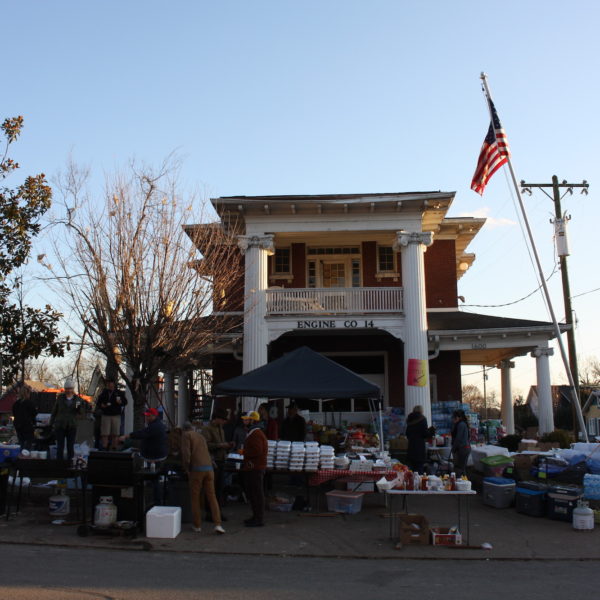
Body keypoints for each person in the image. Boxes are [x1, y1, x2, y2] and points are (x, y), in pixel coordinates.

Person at [180, 421, 225, 534]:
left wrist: (186, 467)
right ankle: (218, 524)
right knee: (212, 497)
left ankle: (197, 525)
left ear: (184, 429)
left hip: (197, 469)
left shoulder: (186, 435)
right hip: (209, 468)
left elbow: (186, 454)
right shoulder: (200, 436)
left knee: (195, 498)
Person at [202, 407, 233, 519]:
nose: (225, 422)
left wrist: (227, 445)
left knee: (219, 488)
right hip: (212, 461)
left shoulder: (221, 429)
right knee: (211, 488)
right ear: (217, 418)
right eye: (223, 419)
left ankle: (217, 512)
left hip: (221, 460)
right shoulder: (207, 429)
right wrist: (221, 445)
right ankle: (210, 513)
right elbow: (206, 445)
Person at [241, 411, 268, 527]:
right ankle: (256, 516)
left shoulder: (256, 433)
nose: (244, 421)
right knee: (254, 493)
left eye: (247, 419)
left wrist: (244, 452)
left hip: (255, 467)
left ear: (253, 421)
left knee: (256, 493)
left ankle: (259, 518)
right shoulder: (254, 432)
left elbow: (257, 450)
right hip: (254, 467)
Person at [50, 378, 85, 461]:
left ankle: (70, 464)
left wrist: (79, 408)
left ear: (73, 389)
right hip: (60, 425)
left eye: (70, 388)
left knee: (70, 447)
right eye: (67, 389)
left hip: (72, 425)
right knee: (60, 447)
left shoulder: (77, 399)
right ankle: (59, 465)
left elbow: (81, 413)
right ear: (65, 389)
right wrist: (51, 423)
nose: (69, 390)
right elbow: (54, 411)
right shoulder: (60, 398)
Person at [96, 378, 127, 450]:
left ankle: (114, 448)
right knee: (105, 433)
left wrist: (120, 402)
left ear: (114, 385)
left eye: (111, 384)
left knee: (115, 433)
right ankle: (104, 447)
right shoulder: (104, 393)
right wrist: (102, 405)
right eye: (108, 384)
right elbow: (98, 403)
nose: (110, 386)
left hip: (116, 415)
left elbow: (125, 402)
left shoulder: (119, 393)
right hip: (106, 415)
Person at [405, 405, 434, 474]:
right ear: (421, 411)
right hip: (419, 448)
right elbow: (425, 434)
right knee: (419, 469)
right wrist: (431, 432)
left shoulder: (409, 420)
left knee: (411, 470)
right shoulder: (423, 419)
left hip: (411, 447)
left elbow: (407, 433)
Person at [12, 384, 37, 450]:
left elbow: (14, 414)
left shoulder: (16, 404)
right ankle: (26, 457)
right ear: (28, 393)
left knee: (21, 443)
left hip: (18, 426)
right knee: (28, 444)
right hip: (27, 426)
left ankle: (20, 456)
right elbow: (34, 413)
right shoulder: (30, 403)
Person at [451, 409, 471, 478]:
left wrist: (453, 448)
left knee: (459, 468)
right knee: (462, 468)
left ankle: (461, 482)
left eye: (453, 417)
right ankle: (464, 482)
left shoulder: (461, 425)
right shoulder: (461, 424)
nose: (452, 419)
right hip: (464, 448)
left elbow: (458, 438)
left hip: (463, 449)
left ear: (457, 417)